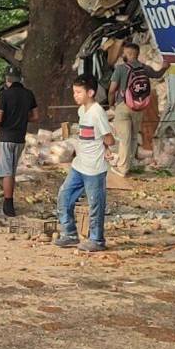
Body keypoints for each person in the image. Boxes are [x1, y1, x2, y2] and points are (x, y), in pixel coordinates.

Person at [54, 74, 114, 252]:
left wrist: (106, 146)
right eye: (74, 92)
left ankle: (97, 240)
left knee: (95, 204)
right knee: (64, 196)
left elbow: (109, 139)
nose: (76, 96)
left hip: (94, 169)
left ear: (91, 92)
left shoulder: (97, 113)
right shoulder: (82, 111)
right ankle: (70, 233)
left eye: (79, 92)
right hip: (79, 165)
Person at [107, 42, 170, 176]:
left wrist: (111, 104)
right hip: (139, 106)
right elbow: (158, 75)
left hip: (123, 106)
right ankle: (130, 163)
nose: (122, 54)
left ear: (129, 54)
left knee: (124, 138)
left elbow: (112, 90)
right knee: (134, 136)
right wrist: (164, 67)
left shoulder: (120, 69)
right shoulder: (144, 68)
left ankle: (122, 169)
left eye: (124, 52)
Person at [0, 69, 39, 217]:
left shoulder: (5, 94)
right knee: (11, 170)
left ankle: (8, 205)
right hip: (20, 138)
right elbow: (36, 116)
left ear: (7, 80)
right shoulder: (28, 94)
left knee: (7, 172)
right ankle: (9, 202)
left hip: (6, 137)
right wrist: (23, 119)